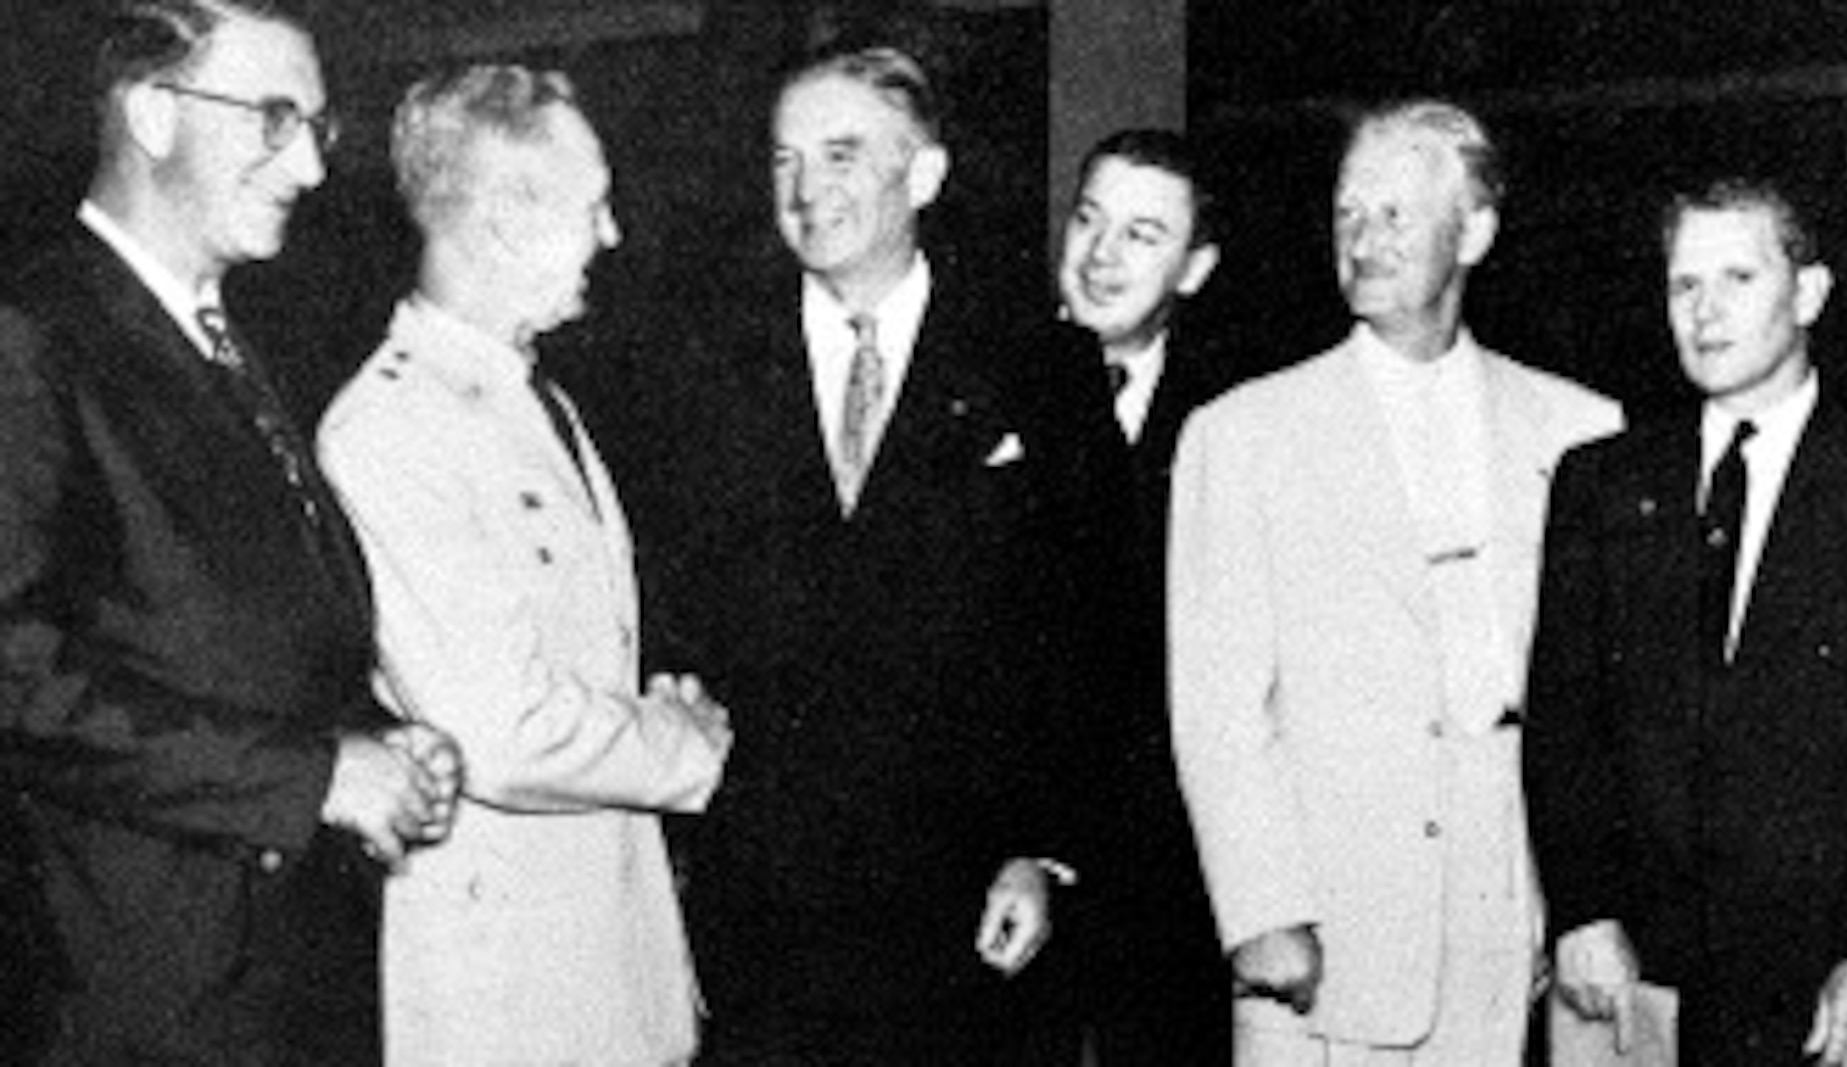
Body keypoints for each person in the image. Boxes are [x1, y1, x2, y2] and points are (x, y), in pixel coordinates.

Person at [0, 1, 460, 1062]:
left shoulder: (239, 341)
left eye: (317, 128)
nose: (306, 165)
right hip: (144, 1000)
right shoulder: (33, 333)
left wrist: (376, 736)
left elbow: (231, 635)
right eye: (271, 117)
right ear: (153, 112)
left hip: (284, 980)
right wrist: (316, 777)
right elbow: (16, 670)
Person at [641, 40, 1102, 1066]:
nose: (805, 190)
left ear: (923, 173)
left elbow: (1092, 629)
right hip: (761, 907)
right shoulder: (698, 363)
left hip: (972, 907)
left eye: (842, 155)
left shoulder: (1039, 366)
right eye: (783, 159)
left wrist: (1043, 847)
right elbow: (665, 609)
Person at [1169, 98, 1623, 1067]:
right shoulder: (1242, 433)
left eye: (1393, 215)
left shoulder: (1577, 430)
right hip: (1328, 923)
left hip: (1502, 914)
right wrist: (1259, 908)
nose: (1361, 241)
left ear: (1477, 231)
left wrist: (1579, 905)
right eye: (1346, 215)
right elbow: (1217, 705)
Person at [315, 64, 731, 1066]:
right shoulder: (390, 426)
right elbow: (498, 728)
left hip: (606, 966)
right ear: (503, 221)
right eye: (593, 206)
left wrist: (648, 708)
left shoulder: (537, 399)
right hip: (506, 1001)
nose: (612, 234)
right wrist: (680, 745)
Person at [1525, 177, 1847, 1067]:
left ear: (1808, 294)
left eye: (1737, 279)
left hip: (1812, 983)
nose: (1705, 313)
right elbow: (1565, 722)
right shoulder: (1601, 481)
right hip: (1632, 972)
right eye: (1685, 285)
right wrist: (1583, 910)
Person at [1051, 126, 1233, 1066]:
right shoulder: (980, 385)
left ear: (1194, 268)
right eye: (1088, 220)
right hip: (1007, 856)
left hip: (1168, 876)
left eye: (1142, 234)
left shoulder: (1229, 421)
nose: (1100, 256)